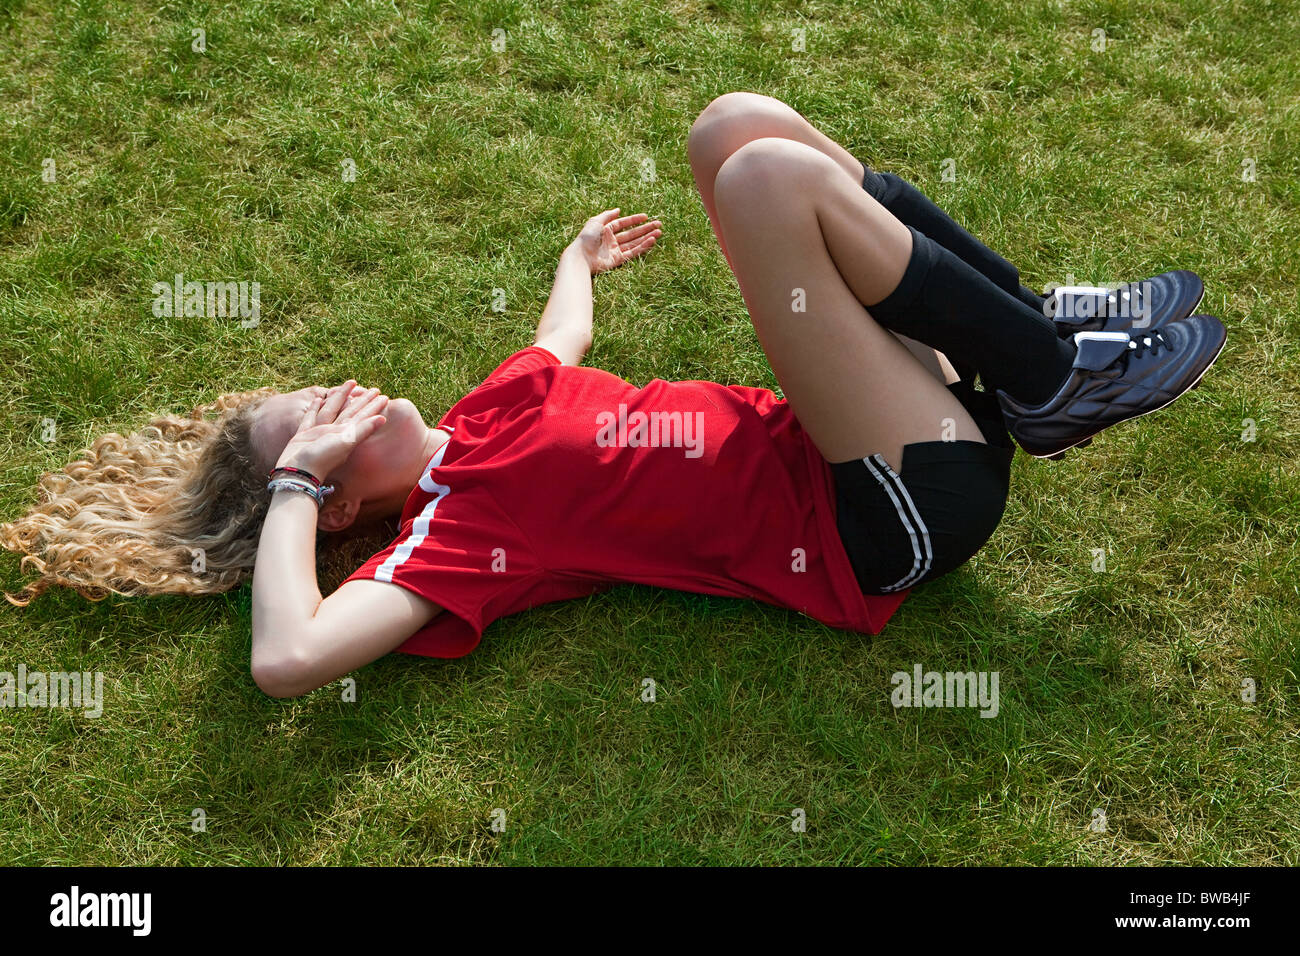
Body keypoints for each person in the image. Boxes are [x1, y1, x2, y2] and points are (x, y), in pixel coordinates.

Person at [1, 92, 1225, 699]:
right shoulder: (453, 535)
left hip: (880, 427)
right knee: (761, 187)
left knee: (731, 128)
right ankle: (1051, 377)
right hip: (889, 513)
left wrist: (571, 264)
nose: (342, 393)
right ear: (328, 498)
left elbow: (561, 345)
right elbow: (288, 657)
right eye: (316, 422)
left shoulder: (491, 411)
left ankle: (1031, 335)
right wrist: (285, 484)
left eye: (317, 387)